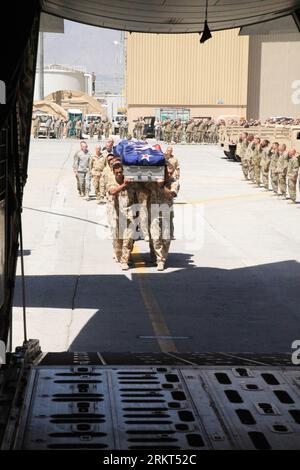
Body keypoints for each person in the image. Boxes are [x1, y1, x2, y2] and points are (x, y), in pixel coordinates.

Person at [146, 163, 180, 271]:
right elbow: (142, 186)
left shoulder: (174, 182)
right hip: (154, 212)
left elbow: (171, 194)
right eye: (167, 172)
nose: (169, 174)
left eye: (171, 173)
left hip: (166, 213)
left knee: (166, 238)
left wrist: (161, 186)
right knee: (155, 237)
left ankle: (160, 256)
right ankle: (160, 260)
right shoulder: (154, 181)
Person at [108, 162, 136, 270]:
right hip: (118, 216)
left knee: (128, 240)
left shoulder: (131, 182)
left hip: (130, 216)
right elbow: (113, 191)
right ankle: (119, 255)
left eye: (121, 172)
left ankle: (125, 260)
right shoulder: (112, 181)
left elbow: (138, 195)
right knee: (118, 240)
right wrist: (124, 185)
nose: (119, 174)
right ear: (114, 173)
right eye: (117, 173)